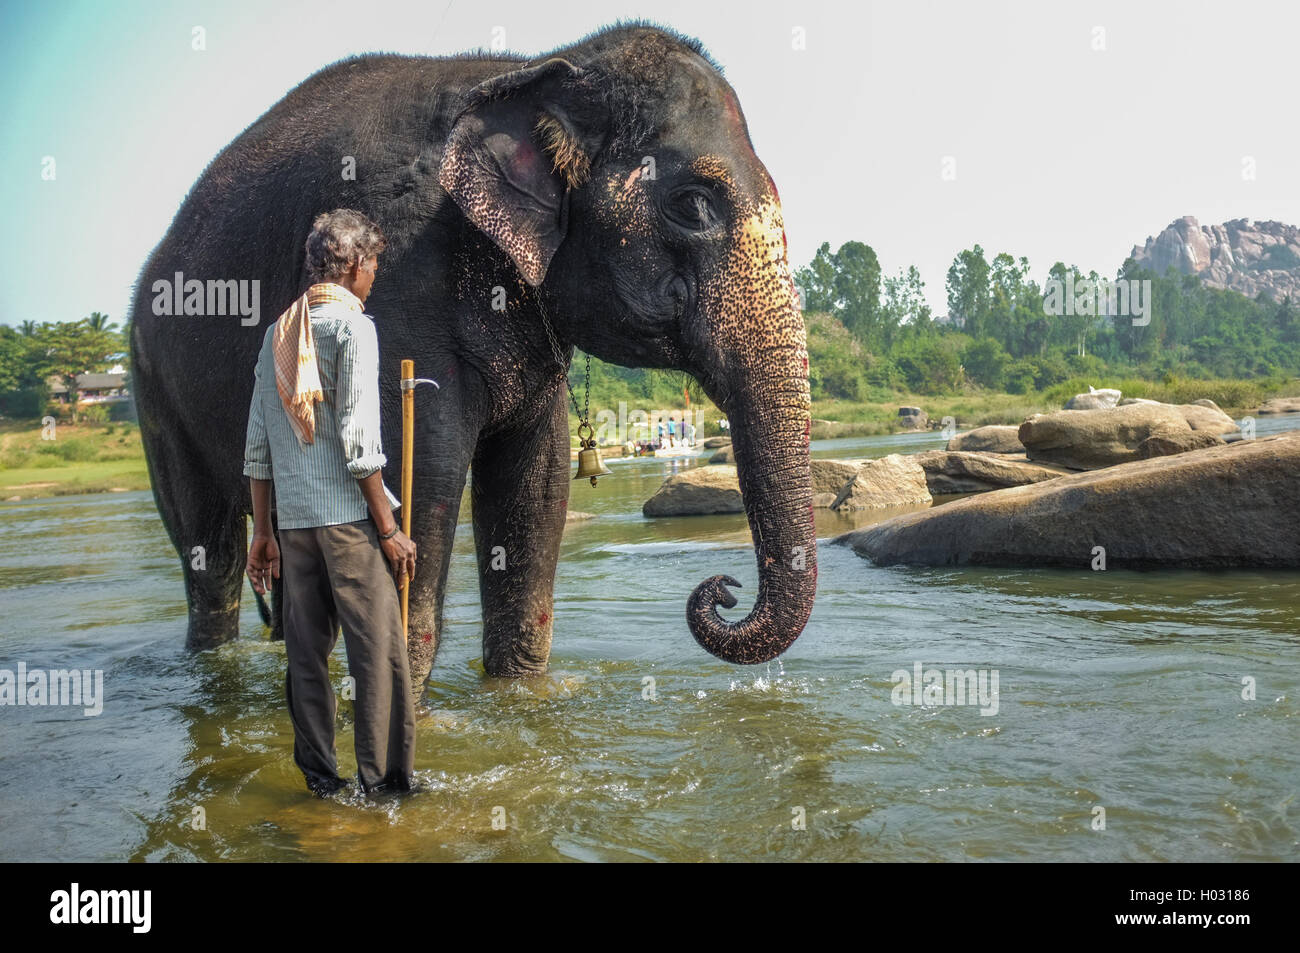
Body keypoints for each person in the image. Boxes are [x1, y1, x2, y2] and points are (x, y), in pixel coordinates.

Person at [243, 208, 418, 797]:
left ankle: (321, 779)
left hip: (292, 529)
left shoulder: (278, 334)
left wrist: (261, 533)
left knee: (306, 659)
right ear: (354, 264)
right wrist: (389, 529)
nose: (375, 279)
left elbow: (258, 449)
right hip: (347, 524)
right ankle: (384, 785)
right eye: (374, 266)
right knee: (379, 658)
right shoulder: (352, 328)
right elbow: (360, 443)